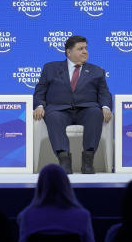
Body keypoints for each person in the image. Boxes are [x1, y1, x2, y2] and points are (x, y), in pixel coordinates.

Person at [32, 35, 112, 174]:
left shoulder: (97, 71)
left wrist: (105, 107)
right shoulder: (50, 68)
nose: (85, 52)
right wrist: (39, 105)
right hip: (59, 109)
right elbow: (40, 91)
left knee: (95, 113)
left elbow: (104, 93)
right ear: (69, 52)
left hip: (86, 109)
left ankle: (88, 161)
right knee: (53, 117)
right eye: (80, 49)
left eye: (86, 48)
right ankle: (64, 160)